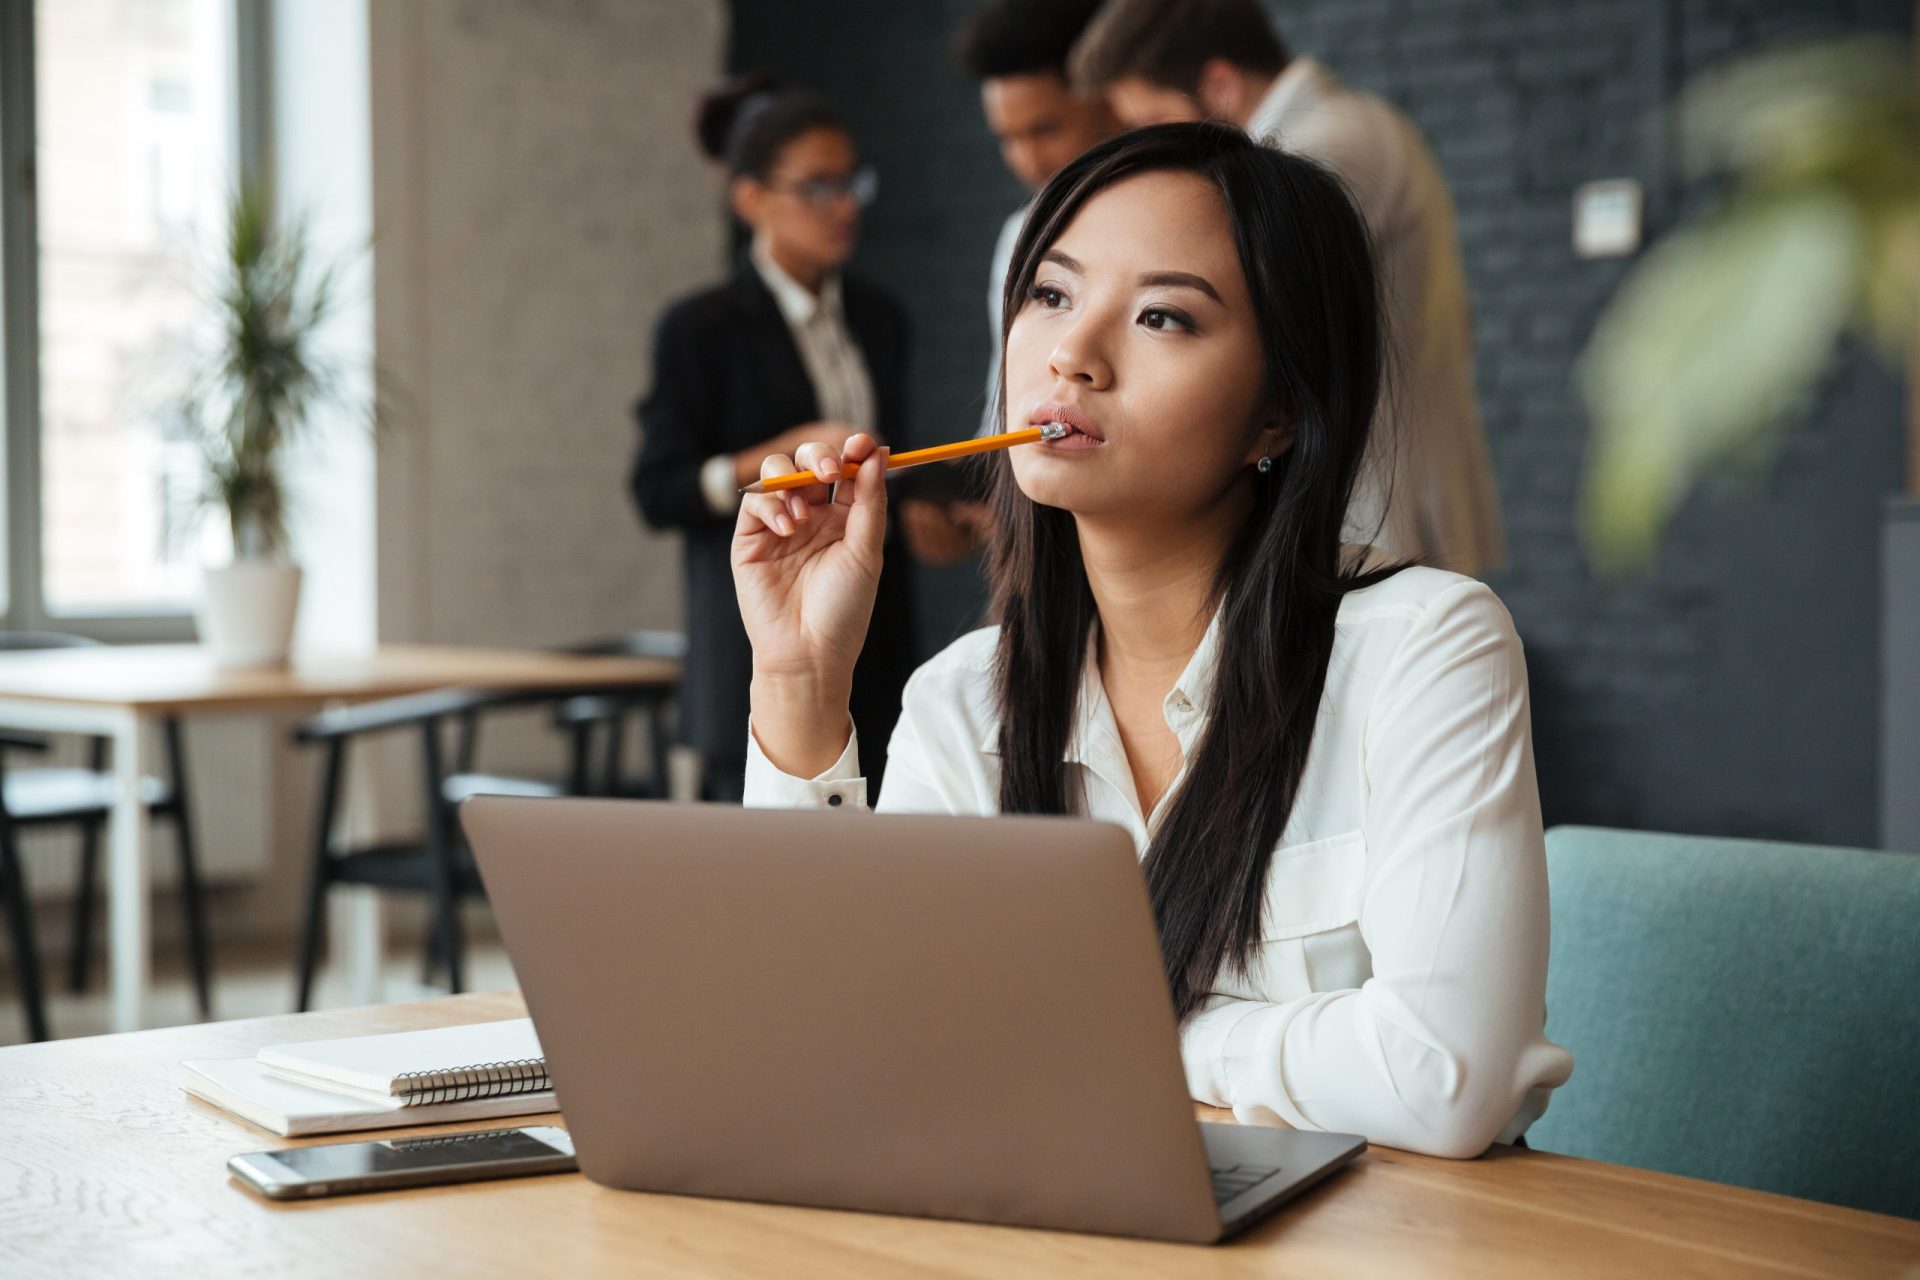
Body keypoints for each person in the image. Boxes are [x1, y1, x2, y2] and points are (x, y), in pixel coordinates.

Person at [729, 124, 1571, 1157]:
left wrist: (1096, 1034)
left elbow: (1446, 1077)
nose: (1072, 354)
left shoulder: (1424, 649)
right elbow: (841, 1045)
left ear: (1279, 414)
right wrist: (801, 681)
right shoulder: (962, 702)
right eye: (1050, 295)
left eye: (1164, 316)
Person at [1071, 0, 1506, 578]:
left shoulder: (1320, 151)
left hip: (1376, 512)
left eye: (1155, 122)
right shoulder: (1354, 127)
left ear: (1221, 85)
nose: (1155, 148)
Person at [630, 76, 916, 802]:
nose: (845, 205)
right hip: (754, 647)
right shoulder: (700, 328)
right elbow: (658, 489)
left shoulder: (882, 318)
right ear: (751, 199)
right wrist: (772, 457)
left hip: (876, 644)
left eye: (852, 181)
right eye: (817, 187)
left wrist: (925, 516)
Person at [896, 0, 1124, 571]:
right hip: (1055, 565)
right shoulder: (1018, 237)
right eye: (1008, 137)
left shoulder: (1196, 221)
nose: (1027, 159)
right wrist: (972, 501)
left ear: (1108, 96)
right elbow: (1008, 411)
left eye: (1045, 128)